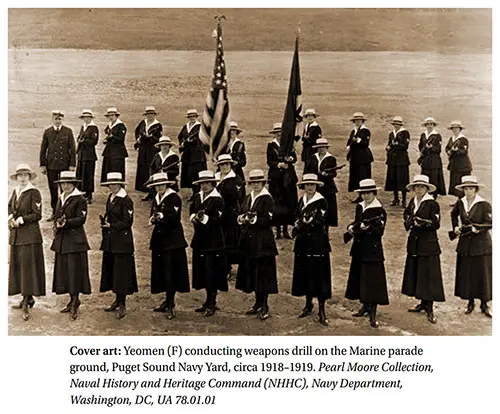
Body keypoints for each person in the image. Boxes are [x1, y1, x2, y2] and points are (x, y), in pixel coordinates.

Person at [345, 179, 389, 328]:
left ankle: (373, 312)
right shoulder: (360, 206)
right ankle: (364, 306)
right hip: (359, 248)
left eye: (368, 193)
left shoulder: (379, 210)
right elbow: (357, 221)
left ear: (374, 193)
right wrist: (352, 227)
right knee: (361, 278)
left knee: (373, 281)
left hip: (372, 249)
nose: (366, 196)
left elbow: (380, 232)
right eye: (363, 193)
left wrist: (366, 229)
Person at [236, 169, 279, 320]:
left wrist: (254, 220)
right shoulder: (248, 197)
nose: (255, 185)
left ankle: (265, 304)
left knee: (263, 274)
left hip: (263, 242)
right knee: (253, 272)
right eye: (252, 182)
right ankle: (257, 303)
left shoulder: (267, 198)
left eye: (258, 182)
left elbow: (268, 220)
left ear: (263, 183)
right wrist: (241, 218)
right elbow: (241, 212)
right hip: (249, 240)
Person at [402, 174, 445, 324]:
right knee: (418, 272)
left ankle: (430, 307)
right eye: (416, 187)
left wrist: (423, 224)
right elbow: (406, 213)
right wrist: (409, 221)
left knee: (429, 274)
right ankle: (422, 302)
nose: (418, 189)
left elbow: (436, 224)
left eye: (422, 186)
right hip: (415, 242)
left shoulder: (432, 203)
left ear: (427, 189)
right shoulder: (413, 201)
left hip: (428, 244)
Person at [147, 172, 190, 319]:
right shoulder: (157, 197)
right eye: (156, 185)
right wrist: (153, 218)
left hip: (173, 240)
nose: (159, 187)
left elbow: (174, 218)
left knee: (171, 272)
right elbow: (153, 212)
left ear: (167, 185)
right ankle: (166, 300)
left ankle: (171, 303)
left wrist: (162, 217)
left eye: (161, 185)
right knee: (162, 271)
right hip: (159, 239)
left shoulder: (174, 197)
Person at [291, 173, 332, 327]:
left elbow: (320, 221)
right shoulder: (302, 200)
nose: (309, 187)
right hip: (303, 242)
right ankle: (308, 304)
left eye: (312, 185)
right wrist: (298, 223)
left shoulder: (321, 201)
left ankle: (322, 309)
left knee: (319, 275)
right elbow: (295, 216)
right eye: (307, 185)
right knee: (306, 272)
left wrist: (305, 224)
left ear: (316, 186)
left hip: (317, 242)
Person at [51, 171, 91, 320]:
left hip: (75, 241)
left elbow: (81, 219)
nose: (65, 186)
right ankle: (72, 300)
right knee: (65, 271)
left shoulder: (80, 198)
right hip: (62, 240)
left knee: (74, 272)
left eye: (68, 183)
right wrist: (57, 223)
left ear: (74, 184)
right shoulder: (61, 197)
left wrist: (66, 223)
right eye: (62, 183)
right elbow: (56, 215)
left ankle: (75, 302)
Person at [8, 164, 45, 321]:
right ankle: (26, 298)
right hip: (17, 236)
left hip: (30, 236)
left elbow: (37, 215)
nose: (22, 178)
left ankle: (27, 300)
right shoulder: (16, 191)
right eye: (20, 175)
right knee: (19, 267)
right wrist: (10, 218)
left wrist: (21, 220)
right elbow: (9, 207)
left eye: (25, 175)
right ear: (16, 177)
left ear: (29, 177)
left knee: (28, 268)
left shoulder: (34, 192)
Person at [451, 176, 492, 317]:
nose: (468, 192)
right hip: (465, 243)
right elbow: (453, 214)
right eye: (466, 189)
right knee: (468, 273)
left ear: (476, 190)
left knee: (482, 274)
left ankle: (485, 304)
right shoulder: (460, 202)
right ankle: (470, 302)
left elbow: (490, 222)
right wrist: (456, 226)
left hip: (481, 245)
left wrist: (479, 229)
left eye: (471, 189)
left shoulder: (484, 204)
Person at [99, 172, 138, 319]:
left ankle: (122, 303)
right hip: (111, 240)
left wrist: (111, 225)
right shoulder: (111, 197)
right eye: (110, 184)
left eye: (115, 184)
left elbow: (128, 222)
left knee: (122, 273)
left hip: (122, 242)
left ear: (120, 184)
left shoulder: (126, 200)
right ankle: (117, 300)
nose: (112, 187)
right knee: (114, 271)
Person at [189, 170, 227, 316]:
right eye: (202, 183)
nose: (204, 186)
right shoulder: (198, 196)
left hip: (213, 241)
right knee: (203, 271)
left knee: (212, 271)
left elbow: (220, 220)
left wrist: (204, 219)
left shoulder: (218, 199)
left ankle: (212, 300)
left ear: (212, 184)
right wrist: (193, 217)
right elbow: (192, 209)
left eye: (207, 183)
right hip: (200, 239)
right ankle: (207, 299)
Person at [39, 110, 76, 220]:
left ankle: (65, 213)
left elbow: (72, 149)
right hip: (51, 166)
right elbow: (43, 149)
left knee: (65, 189)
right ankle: (55, 212)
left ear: (62, 120)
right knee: (53, 190)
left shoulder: (68, 131)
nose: (58, 121)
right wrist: (43, 165)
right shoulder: (47, 132)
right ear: (52, 119)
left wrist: (72, 164)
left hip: (64, 166)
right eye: (56, 119)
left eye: (60, 119)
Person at [266, 122, 298, 239]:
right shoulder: (271, 146)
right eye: (277, 133)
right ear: (274, 135)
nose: (279, 135)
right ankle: (278, 229)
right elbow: (269, 162)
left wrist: (290, 159)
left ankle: (285, 229)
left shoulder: (289, 145)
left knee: (288, 203)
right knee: (277, 204)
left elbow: (295, 158)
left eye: (281, 133)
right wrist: (279, 164)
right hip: (276, 179)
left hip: (288, 178)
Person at [215, 154, 244, 276]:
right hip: (216, 213)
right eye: (222, 164)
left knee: (228, 240)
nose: (224, 167)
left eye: (227, 164)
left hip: (229, 214)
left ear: (231, 165)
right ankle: (218, 265)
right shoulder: (214, 178)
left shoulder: (236, 179)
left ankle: (227, 267)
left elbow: (238, 197)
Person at [304, 138, 339, 228]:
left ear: (327, 148)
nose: (321, 149)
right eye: (319, 147)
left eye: (323, 147)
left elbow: (334, 173)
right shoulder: (312, 158)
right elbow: (307, 171)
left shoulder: (331, 158)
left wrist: (326, 174)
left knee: (326, 211)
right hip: (315, 187)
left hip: (327, 188)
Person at [178, 109, 207, 200]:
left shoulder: (200, 127)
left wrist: (193, 142)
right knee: (189, 175)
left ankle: (197, 194)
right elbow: (180, 136)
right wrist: (182, 142)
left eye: (193, 116)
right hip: (187, 155)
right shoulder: (185, 127)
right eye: (190, 117)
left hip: (197, 156)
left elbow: (203, 139)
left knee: (196, 175)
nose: (192, 118)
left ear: (196, 117)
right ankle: (194, 193)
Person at [134, 106, 162, 200]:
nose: (149, 116)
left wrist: (151, 137)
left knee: (151, 168)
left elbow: (158, 139)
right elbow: (137, 131)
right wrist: (138, 138)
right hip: (143, 149)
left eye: (151, 114)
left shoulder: (158, 125)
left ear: (154, 115)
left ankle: (152, 191)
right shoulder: (143, 123)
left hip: (152, 150)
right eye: (148, 114)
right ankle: (145, 189)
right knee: (142, 167)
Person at [346, 112, 373, 202]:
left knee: (363, 176)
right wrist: (349, 147)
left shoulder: (365, 131)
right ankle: (359, 196)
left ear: (362, 121)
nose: (358, 122)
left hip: (363, 157)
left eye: (359, 120)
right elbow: (349, 141)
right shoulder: (353, 131)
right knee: (355, 176)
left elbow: (365, 143)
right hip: (355, 156)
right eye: (356, 121)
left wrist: (357, 140)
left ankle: (365, 196)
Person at [384, 116, 410, 207]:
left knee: (402, 180)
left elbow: (405, 146)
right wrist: (387, 147)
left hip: (402, 160)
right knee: (393, 179)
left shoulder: (405, 133)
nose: (396, 126)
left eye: (398, 124)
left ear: (400, 125)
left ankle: (404, 199)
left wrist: (396, 145)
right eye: (395, 124)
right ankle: (396, 198)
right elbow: (389, 144)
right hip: (392, 159)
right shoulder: (391, 133)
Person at [417, 117, 446, 198]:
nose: (429, 126)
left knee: (434, 179)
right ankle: (425, 195)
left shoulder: (437, 136)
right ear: (425, 125)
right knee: (425, 178)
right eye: (428, 124)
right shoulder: (423, 135)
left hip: (434, 160)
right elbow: (420, 146)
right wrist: (423, 152)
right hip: (425, 160)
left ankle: (434, 196)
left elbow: (438, 149)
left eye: (431, 124)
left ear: (434, 125)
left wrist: (431, 148)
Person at [445, 121, 472, 203]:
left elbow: (464, 151)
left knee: (462, 183)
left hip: (463, 165)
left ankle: (464, 201)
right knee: (456, 183)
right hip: (454, 165)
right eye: (453, 128)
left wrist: (456, 151)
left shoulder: (463, 139)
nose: (454, 130)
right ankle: (459, 201)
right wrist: (448, 151)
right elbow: (447, 148)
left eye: (456, 128)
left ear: (460, 129)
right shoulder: (451, 139)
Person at [75, 109, 99, 204]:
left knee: (89, 175)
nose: (86, 119)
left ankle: (89, 194)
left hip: (89, 155)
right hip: (82, 154)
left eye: (87, 117)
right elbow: (79, 137)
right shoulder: (83, 127)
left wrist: (84, 141)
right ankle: (83, 192)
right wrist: (79, 140)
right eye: (84, 117)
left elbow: (94, 141)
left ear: (90, 118)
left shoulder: (94, 128)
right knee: (80, 174)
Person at [101, 107, 128, 184]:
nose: (111, 117)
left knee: (117, 168)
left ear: (116, 116)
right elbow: (107, 133)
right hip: (110, 150)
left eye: (112, 115)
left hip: (118, 151)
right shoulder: (109, 125)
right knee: (109, 168)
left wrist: (112, 137)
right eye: (109, 116)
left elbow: (121, 139)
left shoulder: (121, 125)